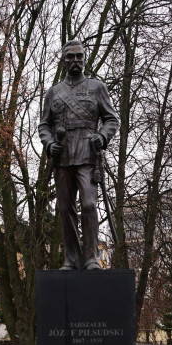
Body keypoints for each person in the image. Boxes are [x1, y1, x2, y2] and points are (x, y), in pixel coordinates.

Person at [38, 39, 118, 270]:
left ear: (84, 58)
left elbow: (111, 119)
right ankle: (71, 260)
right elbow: (44, 125)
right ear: (63, 61)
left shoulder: (97, 87)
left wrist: (102, 137)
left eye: (78, 56)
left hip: (87, 153)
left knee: (89, 204)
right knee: (65, 208)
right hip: (63, 156)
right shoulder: (53, 93)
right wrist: (49, 142)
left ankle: (91, 258)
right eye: (70, 57)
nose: (75, 61)